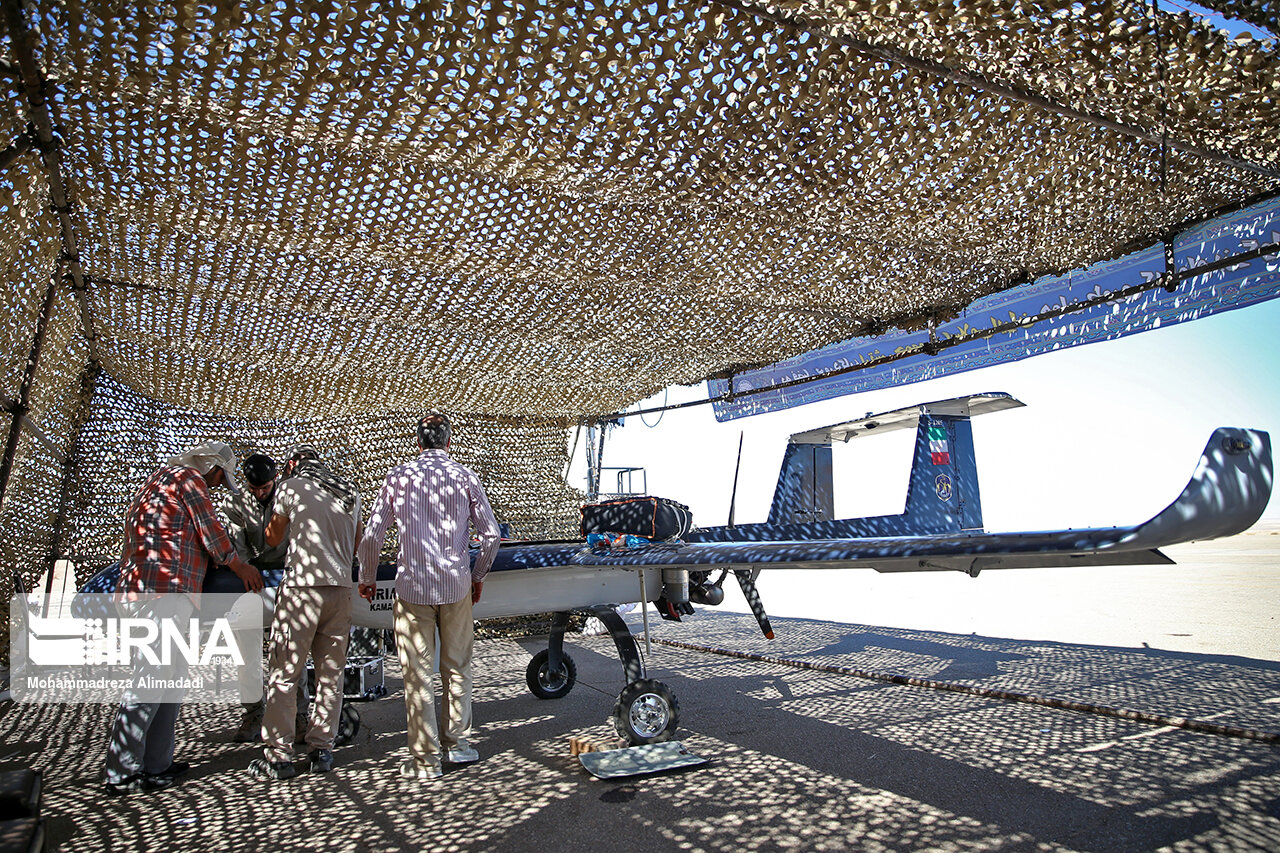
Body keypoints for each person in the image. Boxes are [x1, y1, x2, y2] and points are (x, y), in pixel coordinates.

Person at [103, 441, 264, 796]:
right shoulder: (188, 480)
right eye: (221, 478)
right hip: (163, 590)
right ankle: (122, 771)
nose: (219, 485)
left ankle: (157, 764)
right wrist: (239, 565)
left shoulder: (156, 480)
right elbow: (210, 530)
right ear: (212, 468)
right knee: (151, 676)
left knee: (170, 678)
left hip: (153, 590)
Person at [357, 412, 500, 780]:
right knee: (457, 668)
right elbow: (492, 535)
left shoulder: (399, 477)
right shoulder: (465, 476)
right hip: (456, 585)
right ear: (448, 442)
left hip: (413, 588)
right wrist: (477, 574)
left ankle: (425, 762)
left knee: (416, 675)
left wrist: (368, 576)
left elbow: (372, 536)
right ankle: (460, 746)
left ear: (418, 443)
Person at [249, 444, 361, 780]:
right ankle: (321, 750)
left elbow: (271, 538)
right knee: (330, 676)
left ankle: (278, 756)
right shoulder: (350, 491)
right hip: (340, 591)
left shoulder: (291, 486)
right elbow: (356, 544)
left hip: (301, 591)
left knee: (285, 674)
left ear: (293, 464)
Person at [217, 452, 295, 742]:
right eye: (255, 489)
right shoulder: (234, 503)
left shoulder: (288, 497)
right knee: (246, 656)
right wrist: (247, 569)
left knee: (288, 653)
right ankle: (252, 714)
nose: (260, 493)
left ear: (275, 480)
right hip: (250, 582)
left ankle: (296, 717)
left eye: (265, 488)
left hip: (286, 580)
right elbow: (236, 543)